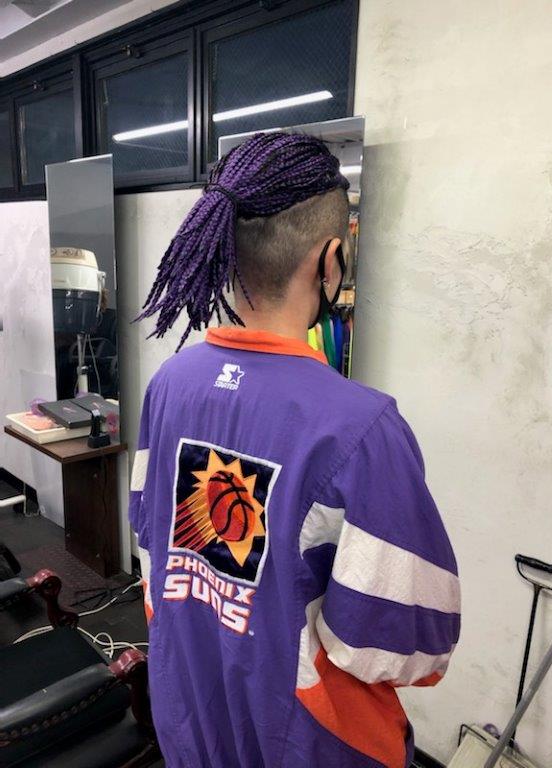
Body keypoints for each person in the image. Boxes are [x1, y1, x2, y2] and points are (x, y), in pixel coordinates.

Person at [129, 132, 460, 768]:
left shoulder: (169, 385)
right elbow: (409, 646)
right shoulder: (362, 428)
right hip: (308, 744)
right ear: (330, 260)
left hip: (191, 718)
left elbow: (153, 554)